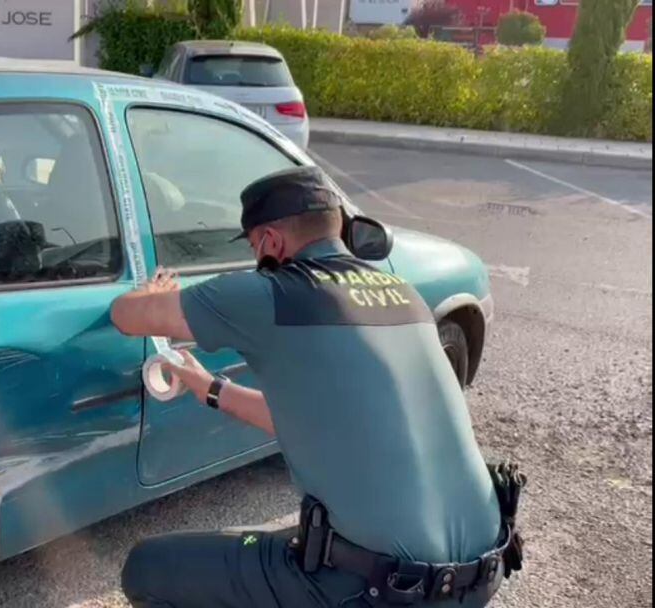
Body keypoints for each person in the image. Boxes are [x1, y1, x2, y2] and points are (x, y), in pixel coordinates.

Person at [110, 166, 523, 607]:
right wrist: (210, 388)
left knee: (147, 567)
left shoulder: (272, 294)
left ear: (270, 241)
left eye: (253, 247)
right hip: (482, 572)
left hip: (381, 592)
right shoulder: (404, 294)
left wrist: (150, 290)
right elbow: (311, 419)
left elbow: (126, 315)